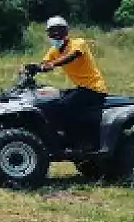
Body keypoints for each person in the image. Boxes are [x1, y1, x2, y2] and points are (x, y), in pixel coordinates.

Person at [37, 15, 107, 149]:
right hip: (81, 88)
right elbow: (44, 64)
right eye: (52, 31)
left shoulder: (78, 43)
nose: (56, 34)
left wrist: (53, 64)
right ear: (48, 34)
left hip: (94, 88)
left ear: (66, 32)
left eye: (59, 30)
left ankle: (70, 139)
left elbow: (72, 56)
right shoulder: (54, 50)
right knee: (50, 100)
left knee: (62, 106)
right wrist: (31, 68)